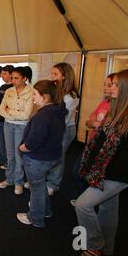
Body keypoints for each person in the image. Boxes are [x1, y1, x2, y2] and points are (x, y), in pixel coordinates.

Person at [75, 68, 128, 256]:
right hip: (108, 172)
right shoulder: (120, 109)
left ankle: (94, 245)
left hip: (117, 175)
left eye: (116, 85)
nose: (110, 88)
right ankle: (107, 248)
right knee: (107, 208)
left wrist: (99, 172)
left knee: (82, 205)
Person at [16, 80, 67, 228]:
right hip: (52, 157)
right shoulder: (58, 112)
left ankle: (35, 218)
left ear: (45, 97)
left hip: (38, 160)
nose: (33, 97)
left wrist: (21, 148)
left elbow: (33, 142)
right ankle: (46, 211)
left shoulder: (43, 116)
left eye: (35, 94)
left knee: (36, 190)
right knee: (41, 186)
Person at [70, 73, 116, 203]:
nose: (105, 88)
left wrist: (96, 124)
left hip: (102, 148)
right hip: (92, 143)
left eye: (110, 85)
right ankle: (86, 200)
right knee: (78, 172)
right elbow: (88, 121)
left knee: (88, 175)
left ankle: (88, 202)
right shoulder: (104, 102)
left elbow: (107, 128)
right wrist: (97, 124)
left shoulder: (117, 107)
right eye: (104, 85)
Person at [0, 67, 34, 195]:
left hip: (22, 126)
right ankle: (9, 179)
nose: (13, 80)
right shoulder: (9, 91)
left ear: (25, 78)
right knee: (10, 154)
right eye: (12, 78)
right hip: (8, 125)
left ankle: (18, 182)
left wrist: (9, 112)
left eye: (16, 78)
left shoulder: (31, 92)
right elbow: (0, 110)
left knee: (19, 156)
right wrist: (14, 113)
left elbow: (26, 115)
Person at [47, 62, 80, 196]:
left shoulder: (71, 96)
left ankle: (53, 184)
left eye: (55, 74)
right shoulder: (57, 91)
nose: (52, 77)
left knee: (58, 158)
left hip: (65, 130)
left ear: (65, 76)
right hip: (55, 128)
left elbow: (62, 118)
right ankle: (46, 181)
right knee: (50, 156)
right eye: (52, 73)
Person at [0, 65, 14, 170]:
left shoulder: (14, 88)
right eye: (2, 73)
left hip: (7, 120)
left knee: (8, 143)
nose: (2, 75)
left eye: (5, 73)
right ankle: (2, 158)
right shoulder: (2, 87)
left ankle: (9, 162)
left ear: (11, 74)